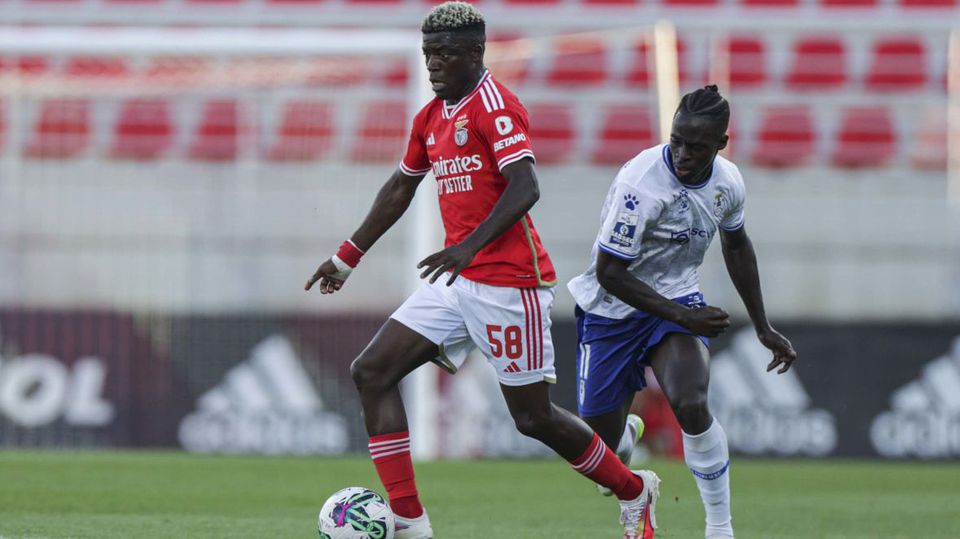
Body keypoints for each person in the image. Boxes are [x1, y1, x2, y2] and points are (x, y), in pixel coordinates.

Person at [305, 3, 660, 538]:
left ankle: (635, 490)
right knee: (371, 372)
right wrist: (346, 257)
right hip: (456, 280)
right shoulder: (430, 116)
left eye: (445, 54)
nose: (434, 65)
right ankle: (410, 522)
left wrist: (468, 246)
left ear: (476, 53)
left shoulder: (495, 106)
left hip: (509, 284)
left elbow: (526, 186)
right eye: (429, 55)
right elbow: (401, 188)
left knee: (533, 418)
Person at [567, 85, 798, 539]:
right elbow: (610, 272)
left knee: (692, 403)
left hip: (675, 303)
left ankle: (719, 526)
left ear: (720, 145)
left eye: (696, 146)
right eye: (676, 140)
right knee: (596, 455)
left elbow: (737, 245)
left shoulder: (727, 183)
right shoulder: (640, 185)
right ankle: (624, 437)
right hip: (610, 310)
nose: (683, 153)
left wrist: (763, 325)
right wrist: (685, 316)